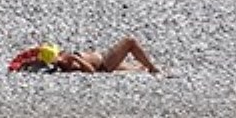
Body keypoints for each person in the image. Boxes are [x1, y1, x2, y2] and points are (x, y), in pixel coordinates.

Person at [20, 37, 161, 73]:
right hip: (104, 63)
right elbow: (91, 71)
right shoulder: (68, 63)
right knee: (130, 42)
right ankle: (153, 68)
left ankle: (146, 68)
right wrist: (75, 58)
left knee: (136, 69)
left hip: (103, 59)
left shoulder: (63, 59)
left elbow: (38, 60)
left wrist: (27, 63)